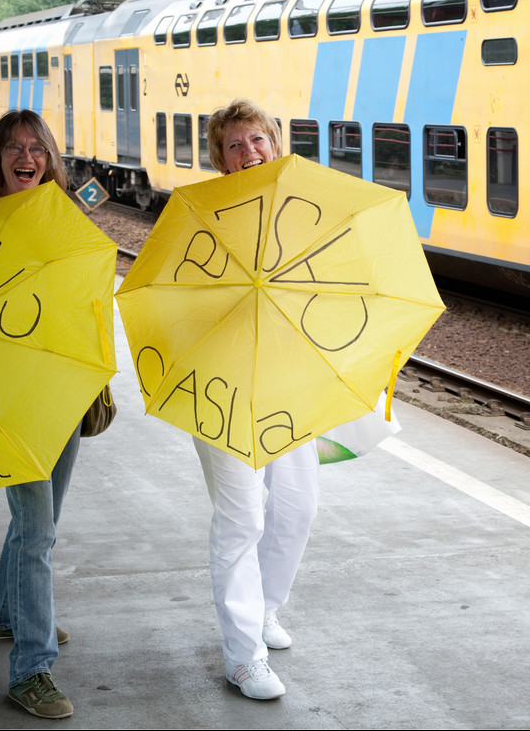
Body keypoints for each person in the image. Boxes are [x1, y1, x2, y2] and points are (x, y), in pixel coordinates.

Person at [196, 99, 321, 701]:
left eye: (258, 141)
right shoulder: (201, 216)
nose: (250, 153)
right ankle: (242, 656)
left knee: (297, 506)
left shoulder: (301, 213)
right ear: (219, 159)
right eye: (235, 145)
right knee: (242, 517)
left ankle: (266, 607)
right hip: (219, 388)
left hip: (286, 382)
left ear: (276, 144)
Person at [0, 109, 79, 719]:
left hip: (63, 392)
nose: (26, 157)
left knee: (38, 521)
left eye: (36, 148)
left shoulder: (64, 219)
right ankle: (31, 669)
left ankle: (4, 615)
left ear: (49, 158)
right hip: (12, 402)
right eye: (13, 148)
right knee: (38, 531)